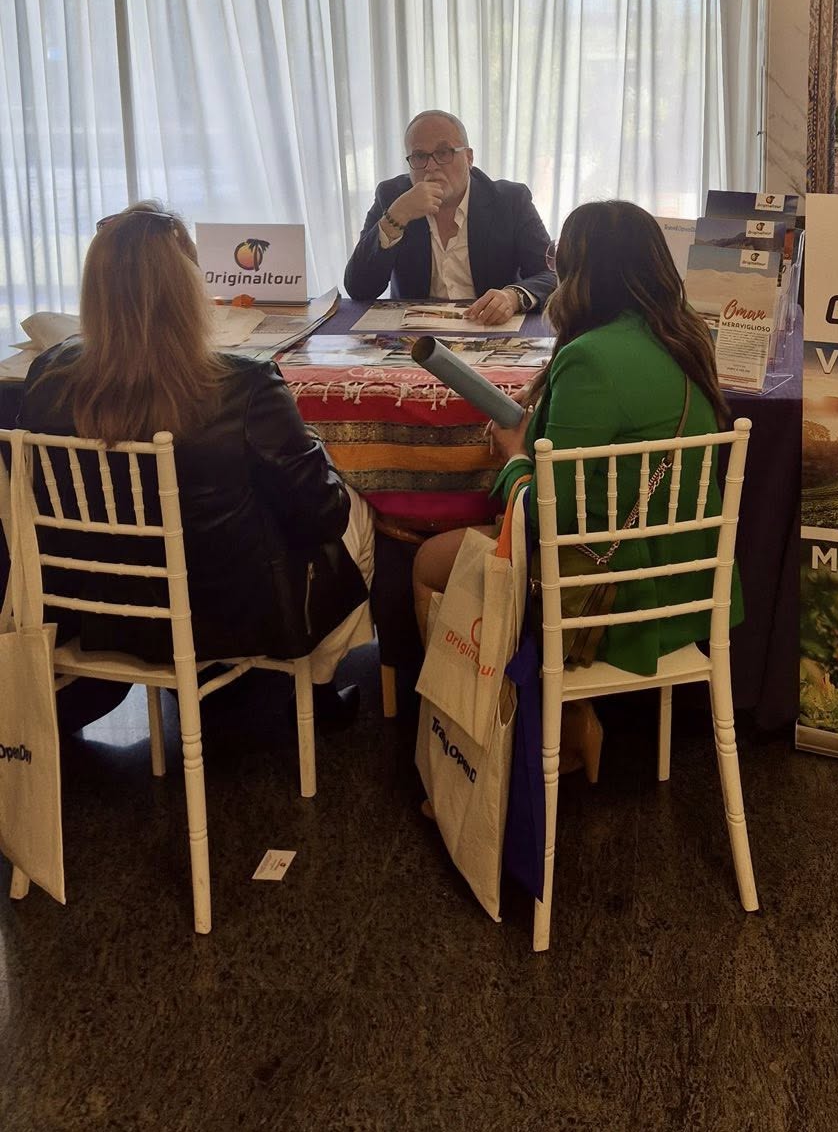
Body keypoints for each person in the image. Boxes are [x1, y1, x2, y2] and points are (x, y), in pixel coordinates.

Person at [412, 199, 740, 776]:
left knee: (429, 563)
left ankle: (488, 744)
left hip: (615, 596)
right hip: (688, 580)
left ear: (580, 271)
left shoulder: (588, 359)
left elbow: (546, 519)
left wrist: (514, 454)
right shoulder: (686, 335)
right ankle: (564, 718)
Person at [18, 203, 376, 724]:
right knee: (356, 507)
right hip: (227, 614)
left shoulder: (48, 376)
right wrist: (314, 447)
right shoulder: (244, 384)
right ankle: (317, 689)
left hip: (100, 612)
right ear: (187, 290)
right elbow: (322, 514)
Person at [343, 109, 553, 322]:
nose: (431, 166)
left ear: (469, 158)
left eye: (444, 153)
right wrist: (397, 217)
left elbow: (552, 274)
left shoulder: (510, 200)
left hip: (487, 324)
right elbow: (359, 289)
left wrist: (513, 297)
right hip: (415, 332)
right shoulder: (392, 198)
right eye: (420, 156)